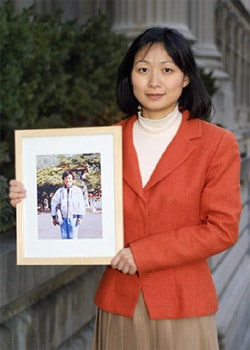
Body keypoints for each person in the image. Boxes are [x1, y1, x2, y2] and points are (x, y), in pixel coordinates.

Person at [9, 27, 242, 349]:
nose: (154, 81)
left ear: (186, 78)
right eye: (143, 69)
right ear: (130, 76)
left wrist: (142, 254)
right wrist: (28, 196)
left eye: (167, 70)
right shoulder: (102, 144)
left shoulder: (216, 144)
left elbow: (222, 229)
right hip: (120, 303)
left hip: (183, 304)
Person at [50, 170, 85, 239]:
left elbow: (81, 204)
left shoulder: (77, 191)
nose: (68, 180)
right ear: (63, 180)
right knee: (64, 237)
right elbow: (54, 203)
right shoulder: (60, 191)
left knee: (73, 237)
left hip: (74, 218)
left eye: (69, 178)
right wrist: (54, 217)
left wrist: (80, 217)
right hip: (62, 219)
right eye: (66, 178)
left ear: (72, 179)